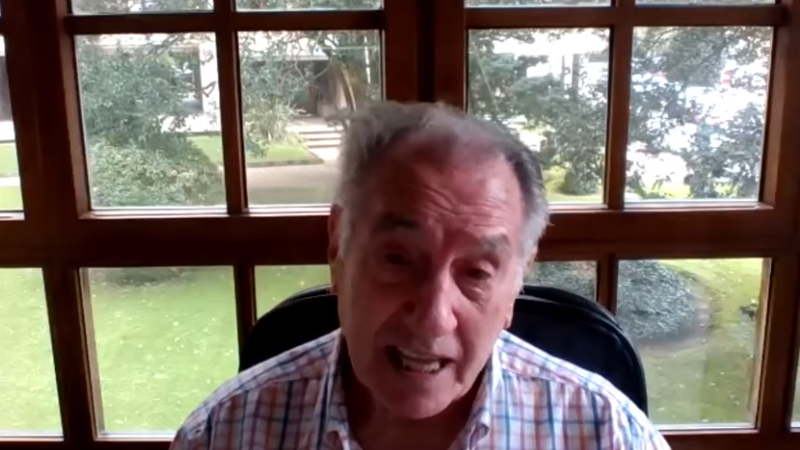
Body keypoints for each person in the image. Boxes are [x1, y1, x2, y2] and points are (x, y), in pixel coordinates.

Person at [170, 102, 670, 450]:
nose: (433, 319)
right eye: (398, 260)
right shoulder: (223, 434)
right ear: (338, 246)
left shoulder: (607, 434)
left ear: (516, 282)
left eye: (476, 272)